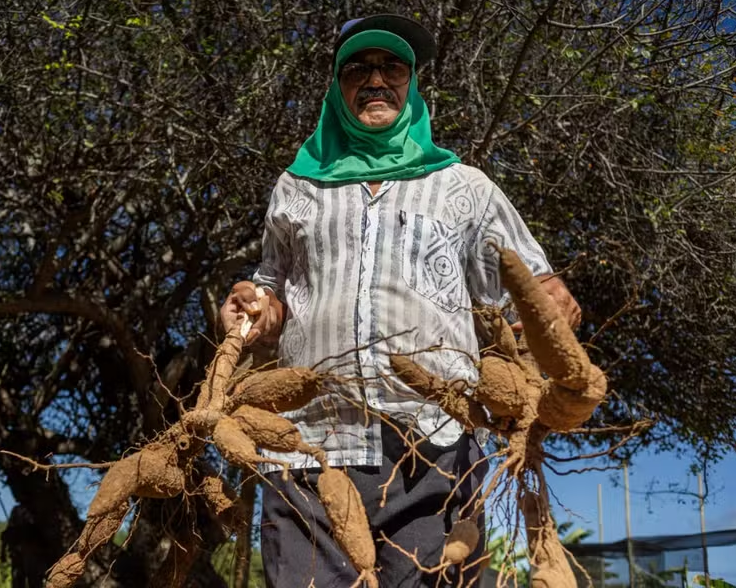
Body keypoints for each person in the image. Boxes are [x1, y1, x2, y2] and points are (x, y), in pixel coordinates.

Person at [220, 14, 581, 588]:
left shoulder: (466, 187)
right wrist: (255, 310)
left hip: (434, 448)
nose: (376, 80)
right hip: (306, 447)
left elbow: (533, 291)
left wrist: (552, 306)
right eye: (357, 69)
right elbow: (275, 291)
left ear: (412, 84)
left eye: (392, 67)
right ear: (336, 88)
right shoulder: (297, 186)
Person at [0, 504, 48, 588]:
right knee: (19, 580)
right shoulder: (17, 511)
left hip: (31, 554)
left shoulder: (35, 510)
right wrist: (3, 552)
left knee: (33, 580)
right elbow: (7, 534)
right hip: (19, 554)